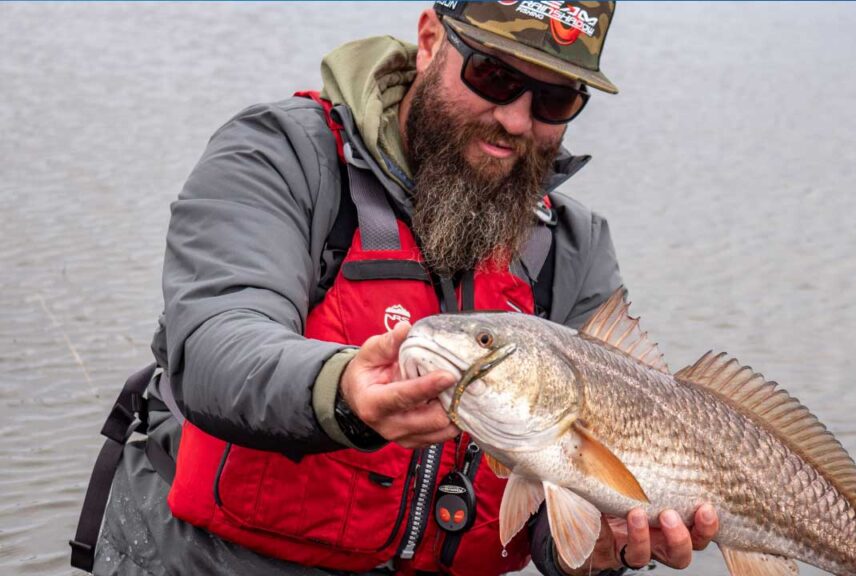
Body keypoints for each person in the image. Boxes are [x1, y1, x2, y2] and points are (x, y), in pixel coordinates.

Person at [74, 2, 719, 575]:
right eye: (494, 76)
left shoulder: (573, 245)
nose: (518, 120)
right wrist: (343, 390)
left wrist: (600, 550)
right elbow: (215, 344)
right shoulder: (278, 156)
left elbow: (557, 525)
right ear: (432, 39)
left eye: (555, 101)